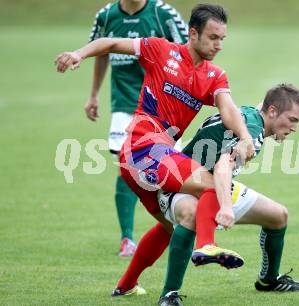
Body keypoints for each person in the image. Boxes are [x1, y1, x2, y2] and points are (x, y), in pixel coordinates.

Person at [55, 2, 256, 297]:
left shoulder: (214, 76)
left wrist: (244, 135)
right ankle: (206, 245)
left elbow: (228, 108)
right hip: (142, 147)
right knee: (215, 184)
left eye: (222, 39)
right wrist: (79, 53)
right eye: (213, 37)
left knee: (173, 227)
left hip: (147, 161)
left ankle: (125, 286)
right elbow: (111, 42)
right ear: (192, 33)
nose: (218, 45)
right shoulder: (160, 50)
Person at [156, 84, 299, 305]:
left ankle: (269, 280)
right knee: (191, 214)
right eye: (293, 120)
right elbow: (222, 168)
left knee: (278, 216)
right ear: (273, 111)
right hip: (179, 187)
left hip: (212, 186)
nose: (295, 127)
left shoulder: (253, 117)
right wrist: (227, 208)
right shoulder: (253, 133)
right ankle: (169, 295)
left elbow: (261, 107)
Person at [86, 0, 188, 257]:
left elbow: (188, 53)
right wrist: (94, 95)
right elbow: (101, 54)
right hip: (123, 106)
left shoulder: (163, 14)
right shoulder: (106, 16)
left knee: (168, 172)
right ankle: (127, 239)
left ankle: (186, 225)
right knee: (126, 169)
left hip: (159, 108)